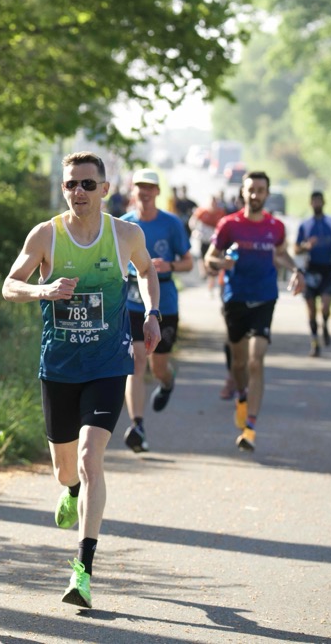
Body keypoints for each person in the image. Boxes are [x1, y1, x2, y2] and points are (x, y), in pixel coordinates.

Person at [1, 152, 160, 610]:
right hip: (60, 367)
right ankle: (70, 491)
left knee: (92, 459)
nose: (79, 192)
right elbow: (10, 285)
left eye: (88, 184)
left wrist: (152, 313)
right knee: (66, 469)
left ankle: (83, 570)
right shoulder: (46, 235)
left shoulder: (125, 235)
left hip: (107, 365)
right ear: (64, 189)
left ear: (105, 189)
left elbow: (147, 271)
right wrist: (44, 290)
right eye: (72, 184)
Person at [204, 171, 303, 453]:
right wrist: (221, 264)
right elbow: (210, 258)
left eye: (260, 190)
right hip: (235, 298)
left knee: (256, 360)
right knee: (238, 364)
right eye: (251, 189)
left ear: (267, 194)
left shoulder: (276, 227)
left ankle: (250, 427)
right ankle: (242, 395)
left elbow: (280, 253)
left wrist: (296, 270)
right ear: (243, 193)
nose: (255, 195)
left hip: (264, 298)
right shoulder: (229, 225)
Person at [119, 168, 193, 453]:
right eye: (140, 187)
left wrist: (169, 265)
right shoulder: (124, 224)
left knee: (158, 366)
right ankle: (137, 426)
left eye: (150, 187)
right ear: (133, 191)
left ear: (158, 192)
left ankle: (167, 381)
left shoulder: (171, 224)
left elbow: (188, 262)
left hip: (164, 303)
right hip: (131, 301)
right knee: (136, 361)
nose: (145, 192)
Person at [293, 190, 331, 356]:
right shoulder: (305, 225)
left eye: (319, 201)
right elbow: (296, 249)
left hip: (327, 269)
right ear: (310, 203)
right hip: (310, 270)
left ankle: (325, 325)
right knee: (311, 309)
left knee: (325, 306)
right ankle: (315, 342)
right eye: (314, 201)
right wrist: (306, 247)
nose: (317, 204)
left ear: (324, 202)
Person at [189, 194, 227, 293]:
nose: (213, 204)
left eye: (215, 202)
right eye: (212, 202)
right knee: (202, 257)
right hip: (203, 239)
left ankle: (212, 283)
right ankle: (204, 274)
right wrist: (194, 230)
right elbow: (192, 221)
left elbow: (224, 224)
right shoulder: (202, 211)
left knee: (212, 260)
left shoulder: (220, 212)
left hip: (214, 240)